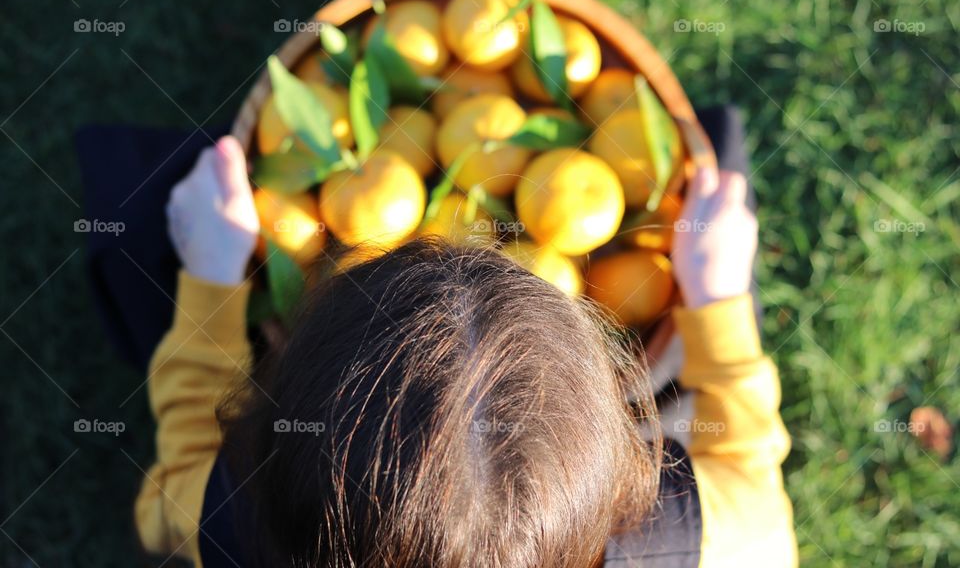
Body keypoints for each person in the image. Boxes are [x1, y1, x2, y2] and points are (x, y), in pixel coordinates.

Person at [134, 135, 797, 566]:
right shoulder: (703, 540)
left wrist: (212, 283)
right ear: (620, 461)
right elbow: (753, 485)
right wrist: (718, 302)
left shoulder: (228, 523)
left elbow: (171, 486)